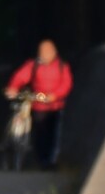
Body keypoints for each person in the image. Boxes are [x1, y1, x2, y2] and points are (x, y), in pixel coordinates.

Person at [5, 39, 73, 169]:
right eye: (40, 52)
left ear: (53, 52)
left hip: (55, 106)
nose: (42, 55)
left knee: (52, 133)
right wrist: (13, 87)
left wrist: (55, 95)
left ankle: (50, 160)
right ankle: (41, 159)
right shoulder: (33, 65)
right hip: (38, 105)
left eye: (45, 52)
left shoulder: (62, 66)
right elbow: (21, 76)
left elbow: (66, 84)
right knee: (40, 133)